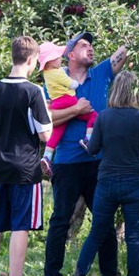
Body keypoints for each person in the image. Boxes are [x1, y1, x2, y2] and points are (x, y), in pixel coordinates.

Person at [43, 0, 139, 276]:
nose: (90, 48)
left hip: (98, 162)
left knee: (104, 223)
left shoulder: (102, 74)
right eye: (84, 45)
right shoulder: (54, 83)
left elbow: (127, 46)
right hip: (67, 162)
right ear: (69, 54)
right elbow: (43, 122)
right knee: (60, 219)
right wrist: (75, 110)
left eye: (92, 45)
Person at [69, 71, 139, 276]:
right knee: (133, 236)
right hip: (134, 182)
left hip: (107, 182)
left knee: (96, 233)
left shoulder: (104, 116)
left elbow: (93, 149)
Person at [0, 35, 53, 276]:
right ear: (32, 60)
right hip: (25, 169)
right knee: (20, 225)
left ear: (13, 56)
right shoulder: (33, 92)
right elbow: (45, 134)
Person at [37, 41, 97, 177]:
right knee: (93, 116)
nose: (60, 59)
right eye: (58, 57)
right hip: (68, 100)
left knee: (57, 133)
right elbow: (72, 84)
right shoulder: (58, 73)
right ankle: (88, 138)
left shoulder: (47, 74)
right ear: (51, 61)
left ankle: (47, 156)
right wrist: (74, 84)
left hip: (56, 103)